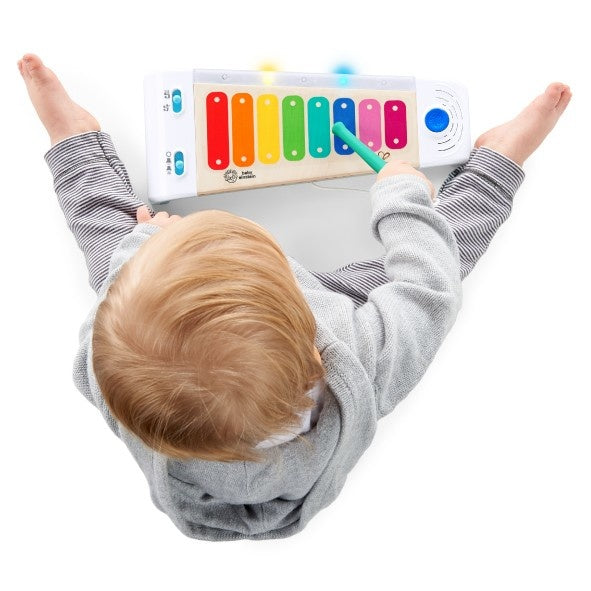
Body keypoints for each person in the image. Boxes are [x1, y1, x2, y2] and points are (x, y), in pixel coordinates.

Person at [18, 53, 571, 541]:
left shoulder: (108, 369)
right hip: (324, 309)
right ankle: (496, 163)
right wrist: (403, 194)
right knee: (442, 249)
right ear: (314, 352)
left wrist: (143, 245)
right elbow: (429, 290)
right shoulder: (357, 361)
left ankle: (76, 142)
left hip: (193, 344)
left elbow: (111, 315)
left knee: (109, 239)